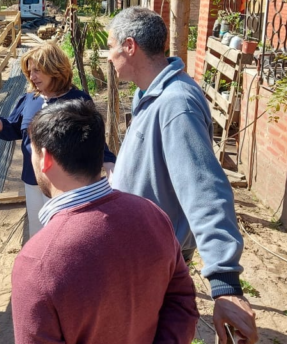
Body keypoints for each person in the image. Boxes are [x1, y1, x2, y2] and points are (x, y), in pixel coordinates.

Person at [106, 6, 258, 344]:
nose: (108, 55)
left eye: (111, 45)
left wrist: (225, 282)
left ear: (130, 47)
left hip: (155, 258)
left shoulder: (176, 104)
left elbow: (205, 189)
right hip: (139, 247)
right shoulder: (148, 93)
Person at [11, 99, 199, 344]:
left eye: (32, 150)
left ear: (45, 158)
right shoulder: (152, 215)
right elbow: (182, 301)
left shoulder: (36, 262)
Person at [0, 42, 116, 237]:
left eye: (38, 71)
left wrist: (109, 164)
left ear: (55, 69)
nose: (32, 76)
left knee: (66, 232)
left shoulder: (78, 101)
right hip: (33, 179)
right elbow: (15, 129)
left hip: (67, 182)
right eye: (30, 71)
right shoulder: (30, 99)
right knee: (38, 228)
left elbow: (94, 139)